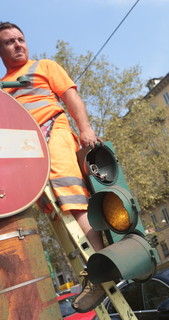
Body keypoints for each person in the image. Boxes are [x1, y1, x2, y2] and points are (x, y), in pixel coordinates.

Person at [0, 22, 105, 312]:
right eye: (9, 42)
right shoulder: (4, 88)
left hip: (52, 131)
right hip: (27, 150)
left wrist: (85, 129)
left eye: (21, 39)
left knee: (70, 195)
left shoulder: (44, 66)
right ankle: (88, 273)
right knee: (54, 213)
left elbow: (71, 97)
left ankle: (102, 262)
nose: (18, 44)